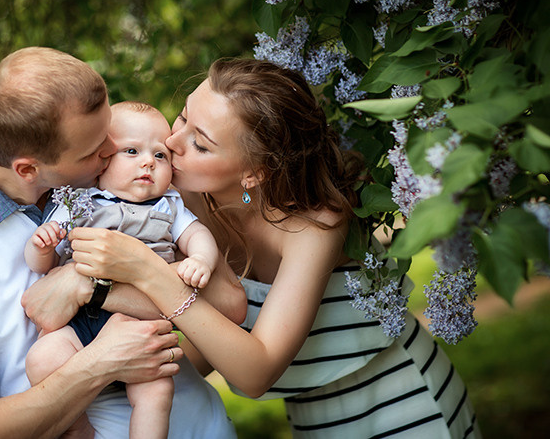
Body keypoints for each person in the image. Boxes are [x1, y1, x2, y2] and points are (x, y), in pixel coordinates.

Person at [63, 58, 481, 438]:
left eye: (201, 144)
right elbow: (210, 339)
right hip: (311, 416)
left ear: (253, 173)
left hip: (402, 405)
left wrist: (148, 274)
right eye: (183, 118)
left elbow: (254, 371)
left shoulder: (316, 223)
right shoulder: (180, 202)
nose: (172, 143)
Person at [0, 47, 241, 438]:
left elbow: (228, 303)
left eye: (109, 135)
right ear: (29, 168)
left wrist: (90, 287)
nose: (113, 152)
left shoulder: (137, 185)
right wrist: (99, 362)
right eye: (95, 150)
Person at [24, 101, 220, 439]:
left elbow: (199, 236)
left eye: (160, 155)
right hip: (80, 324)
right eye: (131, 151)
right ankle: (78, 429)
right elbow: (43, 265)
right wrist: (41, 245)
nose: (148, 162)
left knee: (157, 393)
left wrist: (200, 260)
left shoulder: (170, 205)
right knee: (42, 361)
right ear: (102, 160)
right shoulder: (81, 202)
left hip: (140, 329)